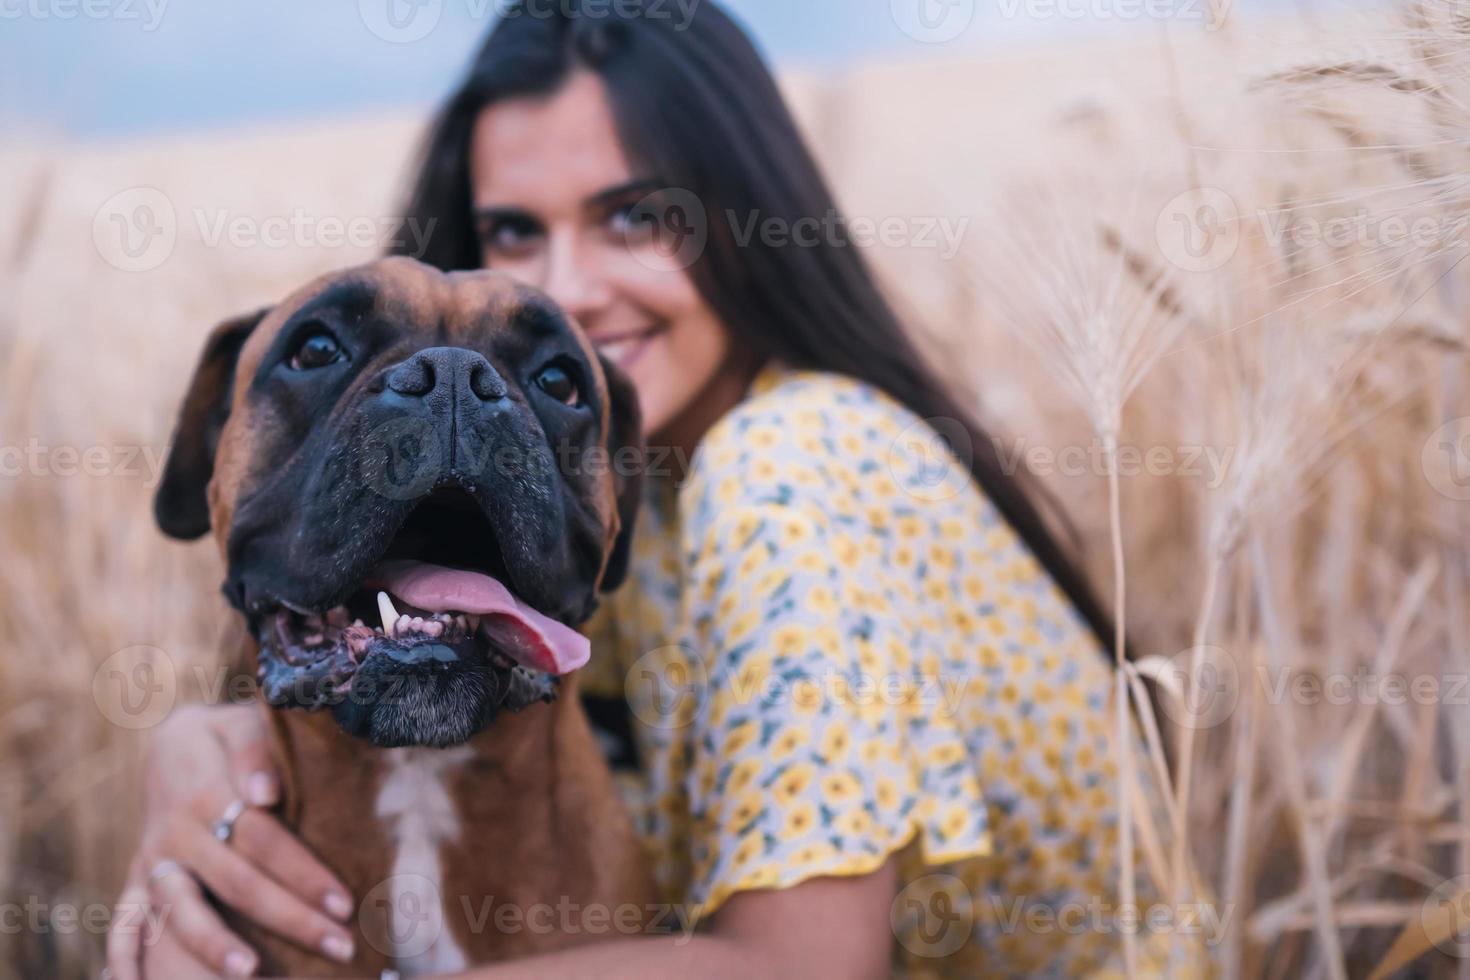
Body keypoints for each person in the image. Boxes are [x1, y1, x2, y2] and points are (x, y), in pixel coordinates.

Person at [108, 3, 1195, 976]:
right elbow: (356, 600)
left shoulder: (788, 473)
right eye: (514, 230)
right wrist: (202, 754)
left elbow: (804, 969)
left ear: (747, 216)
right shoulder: (645, 488)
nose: (571, 284)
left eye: (639, 218)